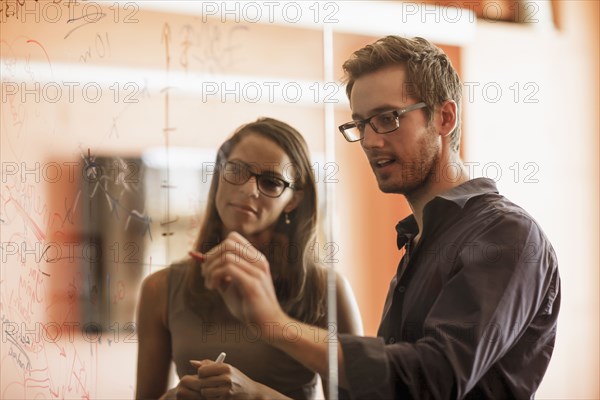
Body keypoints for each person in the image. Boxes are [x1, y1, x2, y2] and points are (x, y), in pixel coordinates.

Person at [201, 36, 561, 399]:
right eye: (361, 124)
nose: (370, 141)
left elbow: (433, 377)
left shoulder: (508, 234)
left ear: (444, 117)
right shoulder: (420, 238)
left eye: (387, 119)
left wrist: (276, 325)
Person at [135, 117, 363, 399]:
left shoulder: (325, 290)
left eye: (270, 182)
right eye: (236, 171)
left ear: (293, 200)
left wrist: (258, 395)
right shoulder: (160, 288)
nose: (248, 190)